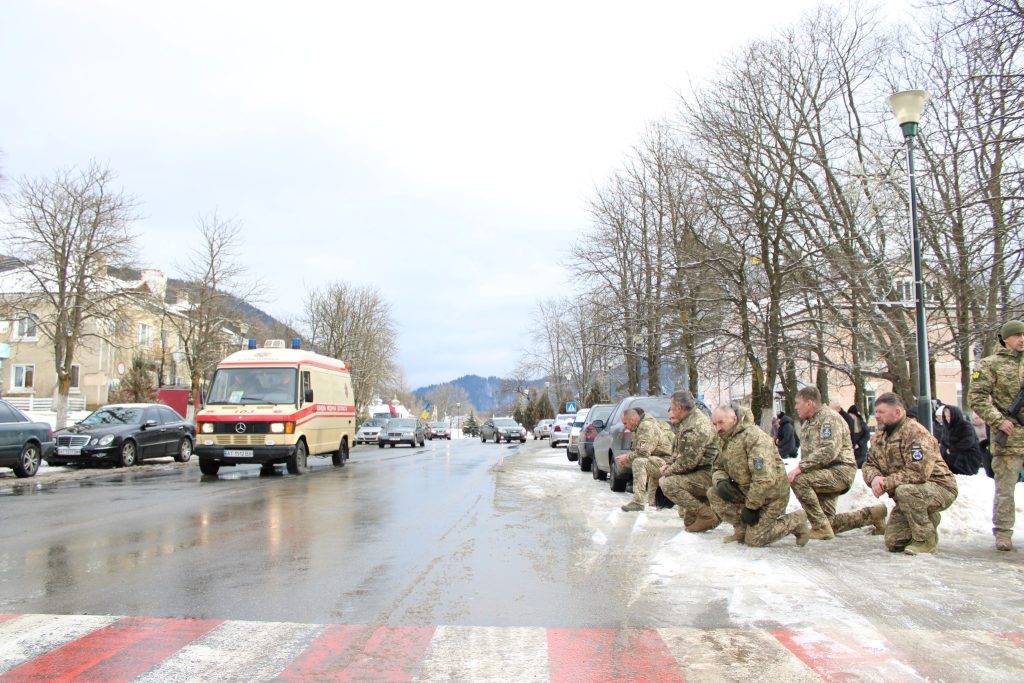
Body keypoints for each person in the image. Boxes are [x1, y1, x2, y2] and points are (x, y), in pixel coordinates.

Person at [863, 392, 958, 555]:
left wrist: (885, 483)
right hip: (911, 495)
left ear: (897, 412)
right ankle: (929, 518)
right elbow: (868, 464)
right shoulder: (880, 437)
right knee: (894, 542)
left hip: (939, 488)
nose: (877, 416)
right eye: (876, 412)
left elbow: (918, 472)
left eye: (881, 412)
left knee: (904, 490)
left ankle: (925, 540)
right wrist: (874, 478)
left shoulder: (916, 433)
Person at [788, 387, 887, 540]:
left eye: (797, 403)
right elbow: (808, 453)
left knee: (799, 481)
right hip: (822, 472)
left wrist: (801, 468)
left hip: (839, 470)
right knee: (830, 523)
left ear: (809, 403)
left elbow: (829, 450)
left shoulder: (829, 419)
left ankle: (820, 528)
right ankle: (873, 515)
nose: (795, 407)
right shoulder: (808, 423)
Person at [706, 403, 810, 547]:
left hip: (772, 497)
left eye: (721, 422)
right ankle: (742, 530)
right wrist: (721, 480)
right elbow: (717, 466)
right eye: (714, 423)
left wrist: (751, 507)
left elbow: (764, 478)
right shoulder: (723, 438)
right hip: (747, 492)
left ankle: (796, 520)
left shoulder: (754, 437)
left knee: (754, 540)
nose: (717, 428)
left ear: (734, 418)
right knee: (714, 492)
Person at [967, 319, 1024, 551]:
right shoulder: (989, 365)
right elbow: (977, 397)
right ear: (1005, 339)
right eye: (1017, 335)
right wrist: (998, 420)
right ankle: (1003, 532)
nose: (1022, 339)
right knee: (1005, 490)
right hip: (1009, 436)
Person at [660, 390, 721, 532]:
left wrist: (667, 471)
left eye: (672, 407)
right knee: (689, 523)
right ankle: (710, 511)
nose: (670, 411)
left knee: (666, 483)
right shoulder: (687, 421)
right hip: (698, 471)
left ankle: (707, 514)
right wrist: (669, 464)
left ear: (680, 408)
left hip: (709, 473)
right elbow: (679, 453)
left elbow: (687, 463)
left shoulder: (696, 425)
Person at [616, 408, 674, 512]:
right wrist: (628, 459)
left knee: (639, 462)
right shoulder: (639, 426)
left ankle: (638, 502)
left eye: (625, 423)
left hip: (667, 462)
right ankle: (653, 506)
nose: (626, 427)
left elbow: (644, 452)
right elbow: (640, 451)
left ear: (633, 419)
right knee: (652, 503)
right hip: (658, 460)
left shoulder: (646, 426)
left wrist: (627, 457)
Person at [939, 405, 985, 475]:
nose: (947, 419)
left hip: (967, 458)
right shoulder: (946, 428)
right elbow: (943, 442)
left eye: (949, 416)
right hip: (951, 457)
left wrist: (952, 449)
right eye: (945, 417)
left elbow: (968, 442)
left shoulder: (966, 426)